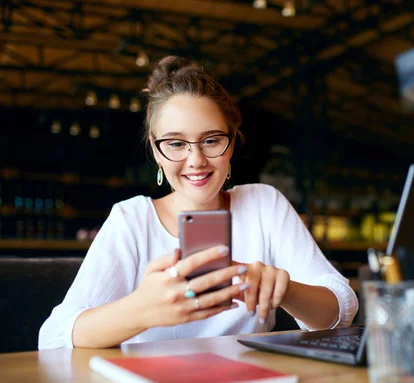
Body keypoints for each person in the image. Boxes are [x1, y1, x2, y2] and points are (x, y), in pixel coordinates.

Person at [38, 56, 358, 349]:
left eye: (211, 140)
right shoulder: (132, 219)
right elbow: (53, 337)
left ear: (231, 143)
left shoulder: (264, 205)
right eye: (176, 143)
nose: (196, 160)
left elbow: (340, 310)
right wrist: (140, 310)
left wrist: (284, 289)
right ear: (156, 151)